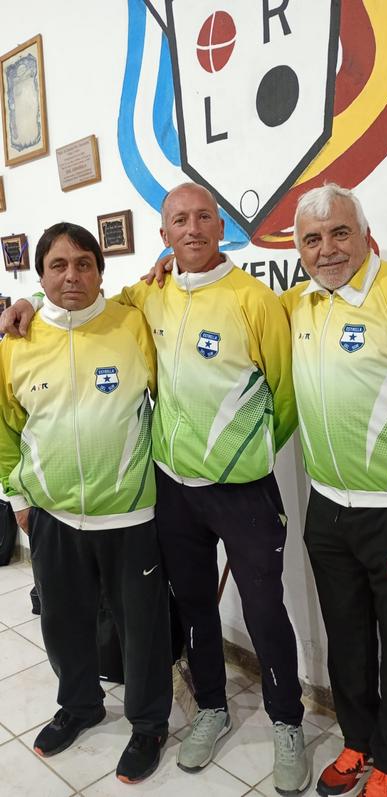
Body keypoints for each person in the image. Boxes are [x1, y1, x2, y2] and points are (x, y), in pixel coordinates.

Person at [0, 184, 309, 795]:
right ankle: (205, 708)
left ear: (221, 225)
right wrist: (25, 303)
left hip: (225, 493)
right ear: (164, 234)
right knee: (185, 608)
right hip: (164, 493)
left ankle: (285, 722)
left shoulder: (242, 300)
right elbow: (73, 307)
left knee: (262, 610)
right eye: (179, 221)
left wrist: (243, 455)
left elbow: (285, 394)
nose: (192, 229)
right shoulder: (140, 300)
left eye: (203, 217)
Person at [280, 184, 387, 797]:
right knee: (346, 638)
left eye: (339, 233)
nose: (327, 249)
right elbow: (225, 305)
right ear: (299, 250)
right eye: (312, 239)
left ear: (365, 235)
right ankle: (359, 741)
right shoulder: (298, 305)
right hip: (327, 510)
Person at [0, 223, 172, 785]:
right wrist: (16, 497)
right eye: (58, 265)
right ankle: (79, 706)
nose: (71, 276)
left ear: (101, 271)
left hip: (129, 511)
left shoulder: (131, 324)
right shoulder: (17, 343)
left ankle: (148, 724)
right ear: (41, 275)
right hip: (52, 514)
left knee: (142, 628)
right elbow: (5, 429)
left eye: (83, 264)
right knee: (62, 621)